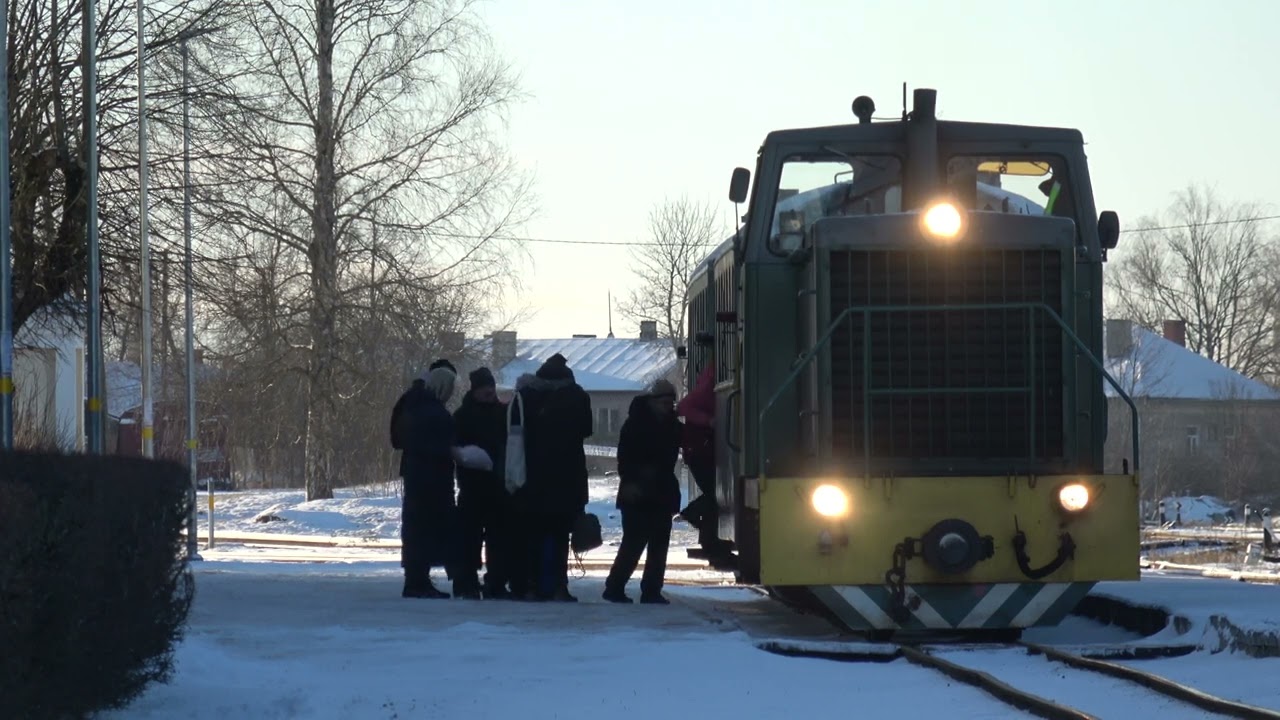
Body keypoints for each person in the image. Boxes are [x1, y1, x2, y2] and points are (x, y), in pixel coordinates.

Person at [514, 353, 593, 602]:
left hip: (533, 475)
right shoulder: (578, 396)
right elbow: (587, 429)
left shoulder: (526, 397)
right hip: (566, 476)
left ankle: (531, 585)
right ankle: (559, 586)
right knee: (560, 535)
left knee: (532, 534)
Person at [603, 379, 682, 604]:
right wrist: (631, 483)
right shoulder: (637, 425)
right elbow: (625, 459)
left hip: (657, 491)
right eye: (665, 402)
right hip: (639, 492)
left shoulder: (666, 424)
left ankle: (648, 590)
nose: (669, 407)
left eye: (671, 403)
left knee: (656, 545)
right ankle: (617, 587)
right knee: (634, 544)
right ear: (653, 402)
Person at [395, 364, 462, 599]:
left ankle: (416, 579)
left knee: (415, 528)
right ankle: (418, 582)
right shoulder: (433, 411)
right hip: (431, 477)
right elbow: (441, 443)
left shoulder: (412, 404)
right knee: (425, 528)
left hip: (416, 475)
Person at [452, 367, 512, 599]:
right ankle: (467, 581)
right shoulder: (463, 416)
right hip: (473, 485)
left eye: (491, 388)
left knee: (498, 539)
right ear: (475, 390)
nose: (489, 392)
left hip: (497, 485)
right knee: (470, 538)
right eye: (485, 388)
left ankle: (495, 582)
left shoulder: (502, 413)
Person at [677, 363, 731, 556]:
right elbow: (683, 407)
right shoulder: (707, 387)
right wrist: (708, 421)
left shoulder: (707, 383)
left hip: (702, 450)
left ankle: (709, 541)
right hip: (699, 451)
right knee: (713, 494)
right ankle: (692, 514)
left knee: (714, 495)